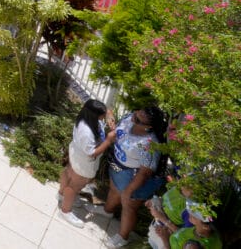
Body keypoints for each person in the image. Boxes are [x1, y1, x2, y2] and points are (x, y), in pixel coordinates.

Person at [93, 106, 169, 248]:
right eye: (136, 113)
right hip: (119, 167)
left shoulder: (149, 145)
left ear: (149, 127)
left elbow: (144, 173)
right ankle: (107, 211)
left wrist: (128, 191)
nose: (134, 117)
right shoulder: (130, 118)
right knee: (114, 190)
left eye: (138, 119)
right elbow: (113, 119)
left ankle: (123, 237)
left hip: (136, 178)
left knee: (129, 205)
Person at [58, 99, 116, 227]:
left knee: (68, 174)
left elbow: (108, 111)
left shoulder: (86, 116)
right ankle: (65, 211)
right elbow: (92, 153)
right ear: (94, 115)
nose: (104, 117)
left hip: (76, 154)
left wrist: (109, 117)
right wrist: (108, 140)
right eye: (102, 116)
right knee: (75, 186)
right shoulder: (86, 132)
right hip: (84, 162)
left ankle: (62, 195)